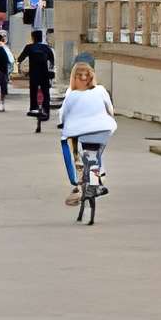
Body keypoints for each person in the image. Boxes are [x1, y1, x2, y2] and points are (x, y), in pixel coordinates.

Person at [56, 58, 117, 204]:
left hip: (79, 130)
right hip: (101, 129)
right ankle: (96, 182)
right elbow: (110, 110)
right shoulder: (101, 90)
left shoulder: (72, 93)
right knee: (94, 154)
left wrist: (62, 124)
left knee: (79, 152)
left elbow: (63, 113)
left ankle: (82, 183)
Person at [20, 28, 55, 130]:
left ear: (32, 38)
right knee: (46, 92)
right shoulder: (46, 48)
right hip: (44, 74)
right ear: (41, 38)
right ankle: (46, 111)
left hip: (34, 74)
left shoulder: (29, 47)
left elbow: (21, 58)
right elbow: (52, 61)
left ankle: (33, 108)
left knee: (33, 91)